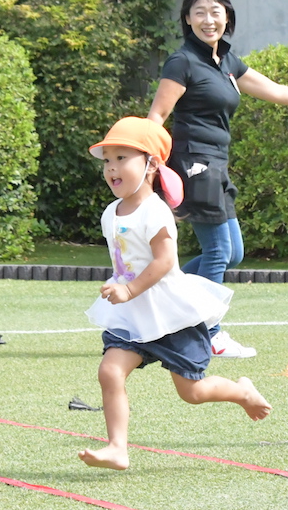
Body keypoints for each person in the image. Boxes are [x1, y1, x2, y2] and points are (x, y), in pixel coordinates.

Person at [148, 0, 288, 358]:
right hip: (194, 163)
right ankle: (209, 331)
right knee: (217, 250)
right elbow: (157, 115)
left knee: (233, 253)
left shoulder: (225, 61)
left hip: (217, 164)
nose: (208, 19)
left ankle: (159, 289)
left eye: (215, 11)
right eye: (199, 12)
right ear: (187, 20)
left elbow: (274, 90)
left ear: (227, 16)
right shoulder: (182, 61)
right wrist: (152, 163)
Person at [79, 117, 270, 470]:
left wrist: (129, 288)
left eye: (122, 158)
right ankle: (117, 447)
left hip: (169, 313)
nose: (111, 167)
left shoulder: (155, 211)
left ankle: (242, 391)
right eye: (107, 160)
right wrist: (121, 286)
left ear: (151, 164)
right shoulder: (111, 213)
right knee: (110, 371)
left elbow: (165, 261)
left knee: (192, 392)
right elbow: (126, 261)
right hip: (132, 314)